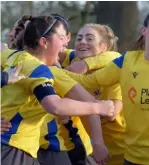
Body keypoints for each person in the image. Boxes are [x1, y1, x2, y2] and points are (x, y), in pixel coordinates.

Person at [63, 9, 149, 164]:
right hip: (132, 157)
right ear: (144, 30)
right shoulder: (127, 61)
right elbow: (88, 81)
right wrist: (53, 72)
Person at [1, 15, 114, 165]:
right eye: (61, 37)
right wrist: (99, 107)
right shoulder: (39, 69)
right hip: (15, 147)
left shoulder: (14, 56)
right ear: (44, 42)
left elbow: (115, 56)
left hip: (20, 147)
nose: (66, 42)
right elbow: (54, 105)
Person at [63, 23, 125, 165]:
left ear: (104, 47)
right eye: (79, 39)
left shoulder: (112, 70)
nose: (82, 42)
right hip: (92, 150)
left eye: (90, 39)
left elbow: (112, 113)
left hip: (119, 148)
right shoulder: (74, 62)